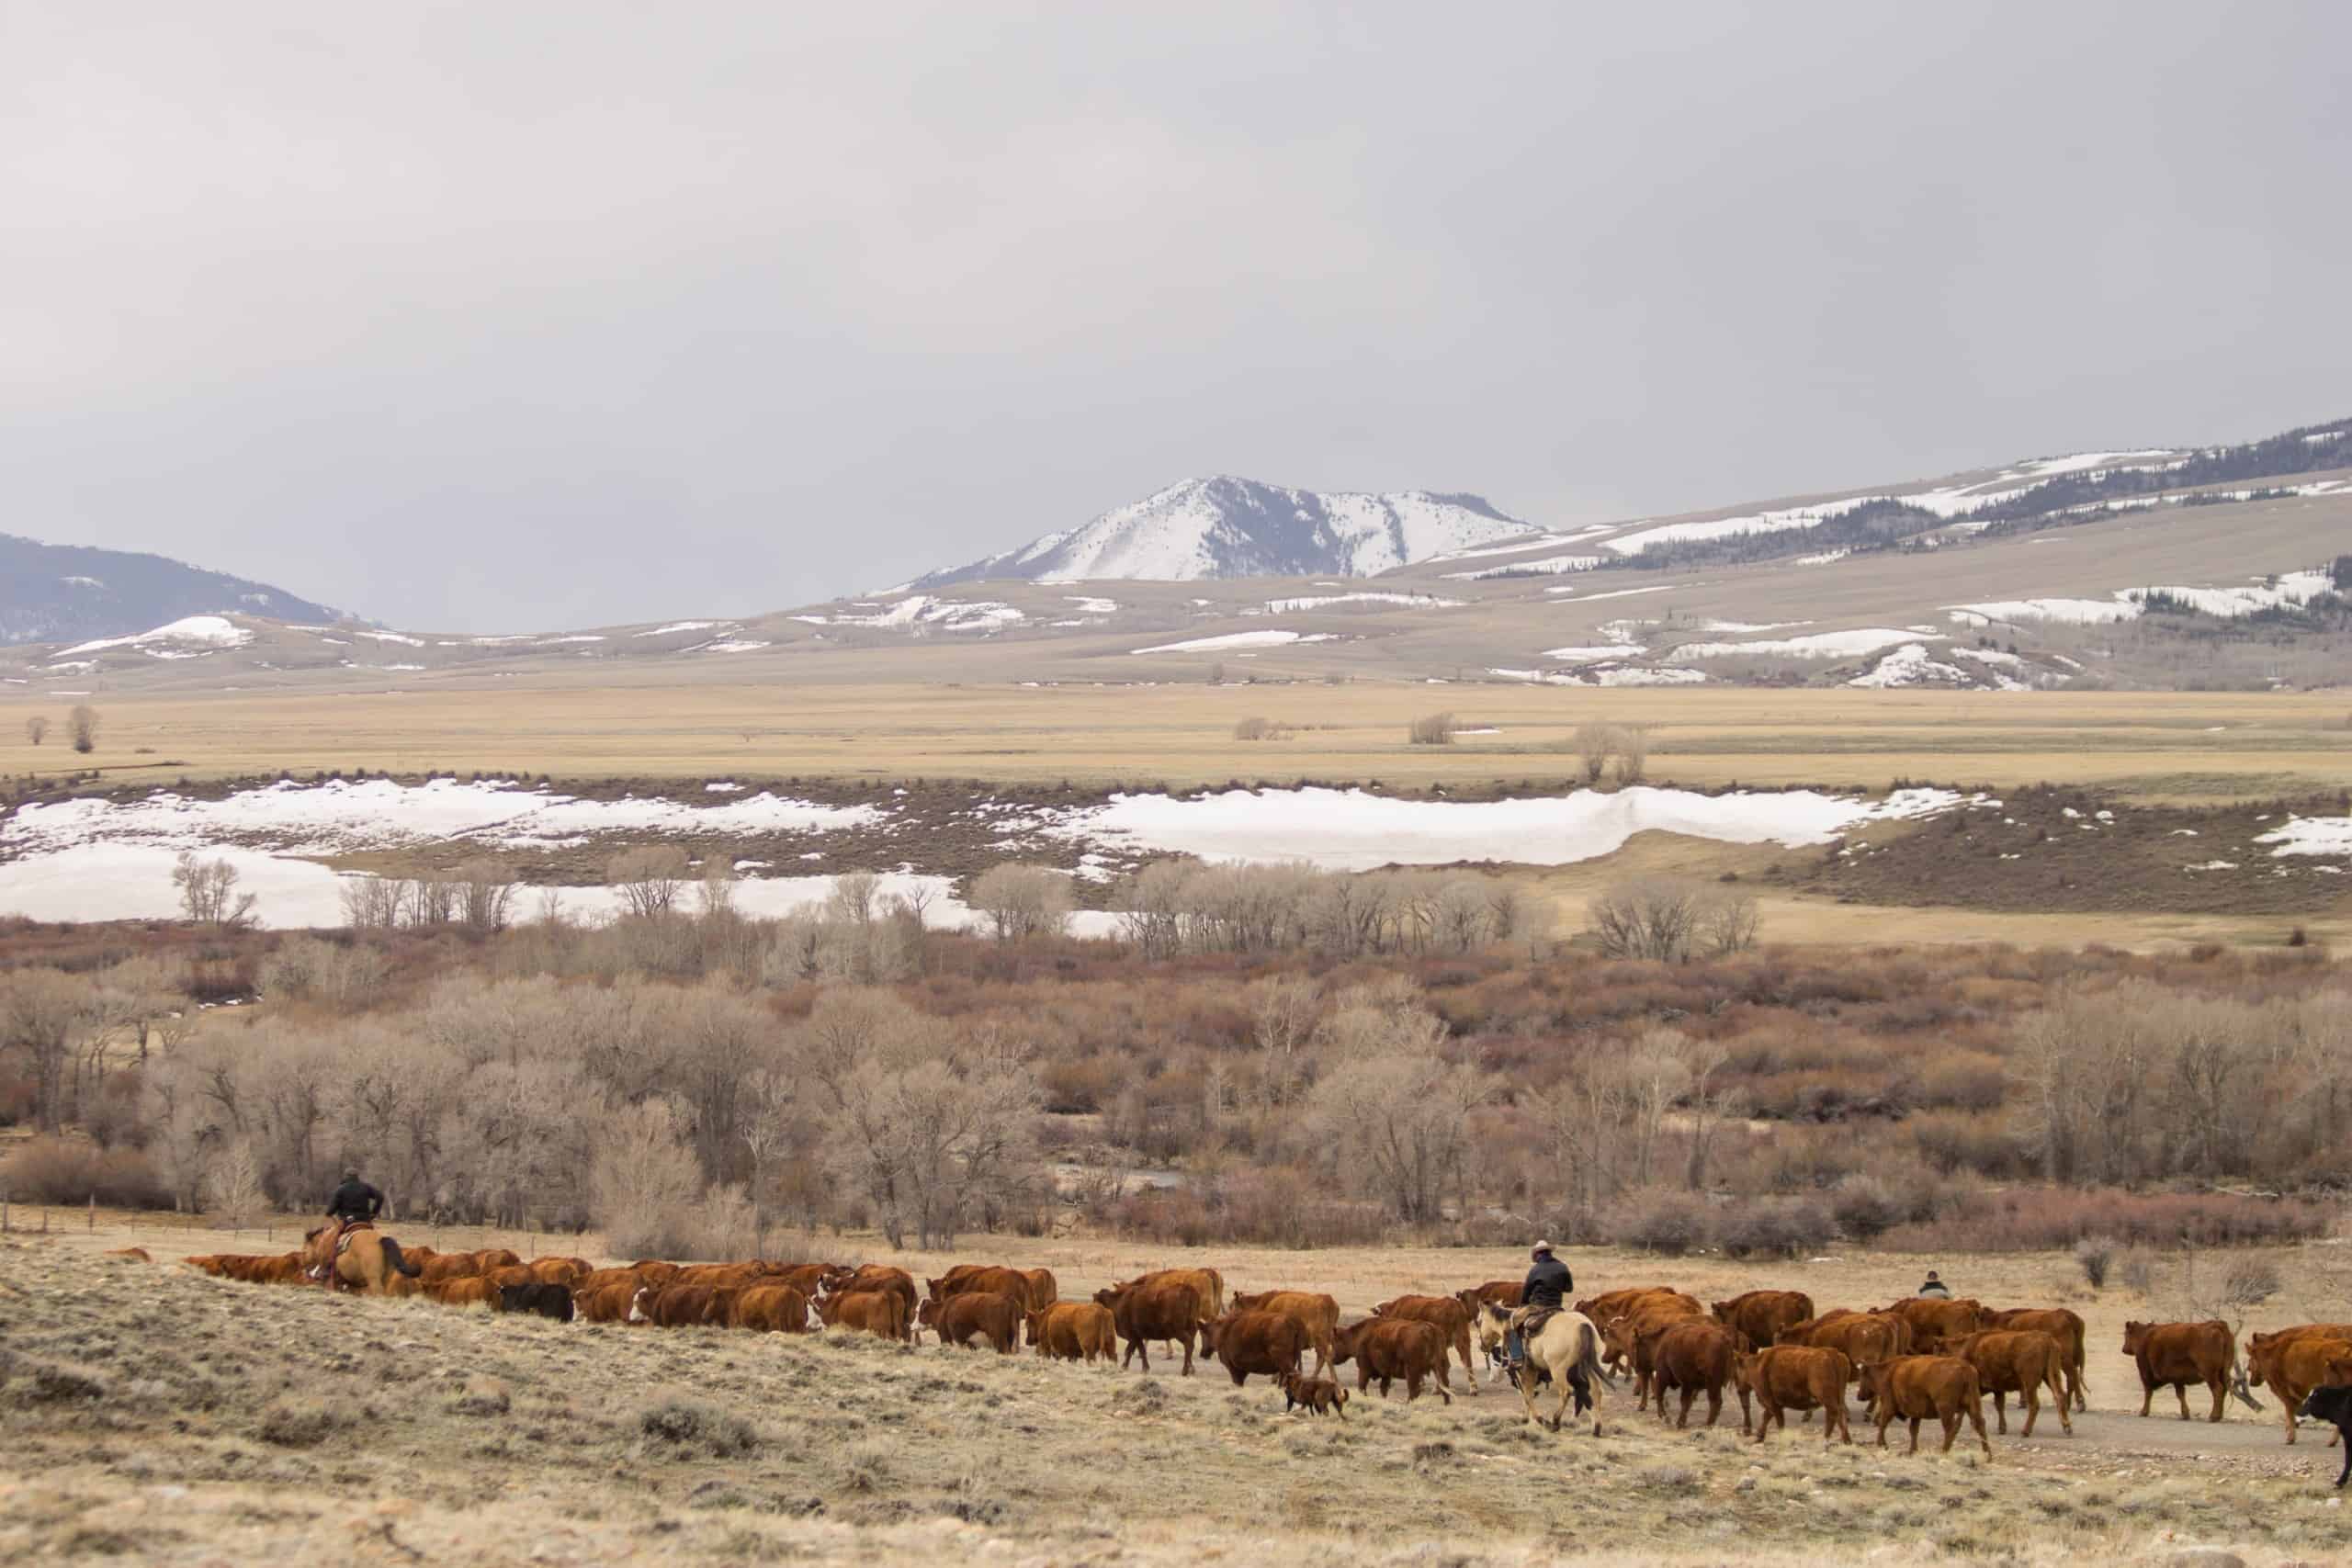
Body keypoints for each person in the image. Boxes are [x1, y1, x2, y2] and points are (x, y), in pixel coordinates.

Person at [1505, 1240, 1573, 1374]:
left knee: (1512, 1322)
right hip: (1557, 1306)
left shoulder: (1535, 1269)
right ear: (1549, 1252)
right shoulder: (1563, 1267)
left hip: (1538, 1307)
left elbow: (1526, 1291)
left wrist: (1522, 1305)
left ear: (1537, 1254)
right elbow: (1569, 1288)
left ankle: (1517, 1358)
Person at [311, 1171, 386, 1284]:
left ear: (346, 1177)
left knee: (327, 1241)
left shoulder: (341, 1189)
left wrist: (329, 1214)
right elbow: (380, 1197)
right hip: (365, 1221)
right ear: (357, 1178)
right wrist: (373, 1213)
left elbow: (330, 1210)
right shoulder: (366, 1187)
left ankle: (324, 1269)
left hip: (347, 1222)